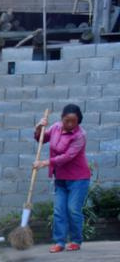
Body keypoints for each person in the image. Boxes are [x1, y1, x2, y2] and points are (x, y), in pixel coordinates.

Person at [32, 104, 90, 253]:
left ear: (78, 121)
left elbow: (67, 157)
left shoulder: (80, 135)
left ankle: (76, 240)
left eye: (73, 121)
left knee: (73, 209)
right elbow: (41, 139)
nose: (69, 124)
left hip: (78, 179)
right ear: (61, 118)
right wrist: (39, 127)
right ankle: (59, 242)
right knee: (59, 210)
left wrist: (44, 163)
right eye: (66, 120)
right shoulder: (56, 127)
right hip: (61, 178)